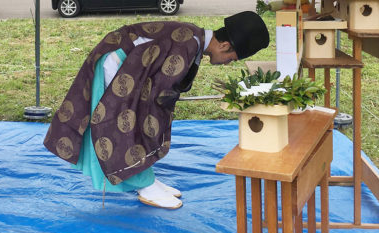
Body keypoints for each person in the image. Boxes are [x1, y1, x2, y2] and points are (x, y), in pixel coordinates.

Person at [44, 11, 270, 209]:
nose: (227, 63)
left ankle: (145, 177)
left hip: (131, 65)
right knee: (125, 123)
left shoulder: (196, 37)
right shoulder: (190, 44)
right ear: (224, 45)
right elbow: (160, 90)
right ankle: (145, 185)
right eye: (231, 58)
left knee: (143, 119)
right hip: (117, 64)